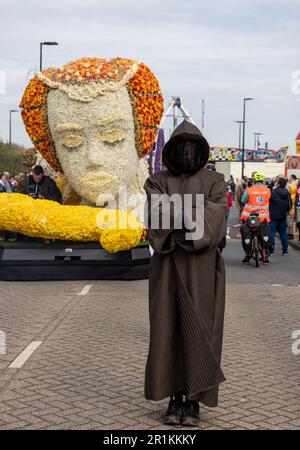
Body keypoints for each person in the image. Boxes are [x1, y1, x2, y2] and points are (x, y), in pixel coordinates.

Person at [144, 120, 227, 426]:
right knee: (166, 329)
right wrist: (197, 210)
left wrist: (179, 212)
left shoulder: (215, 181)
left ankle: (193, 402)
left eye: (193, 149)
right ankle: (173, 399)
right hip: (166, 268)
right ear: (172, 151)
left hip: (202, 270)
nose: (187, 154)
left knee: (202, 331)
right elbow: (157, 212)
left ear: (202, 152)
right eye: (182, 148)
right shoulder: (157, 181)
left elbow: (216, 217)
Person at [240, 172, 271, 263]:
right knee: (264, 235)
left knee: (246, 235)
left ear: (254, 180)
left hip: (250, 218)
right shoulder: (267, 190)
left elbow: (243, 200)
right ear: (263, 181)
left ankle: (248, 254)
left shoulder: (249, 190)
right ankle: (265, 257)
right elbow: (268, 199)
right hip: (263, 218)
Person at [269, 177, 291, 255]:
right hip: (282, 215)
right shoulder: (287, 192)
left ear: (278, 183)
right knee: (283, 233)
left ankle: (271, 250)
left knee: (272, 232)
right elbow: (289, 205)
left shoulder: (273, 192)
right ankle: (285, 251)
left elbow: (269, 203)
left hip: (273, 215)